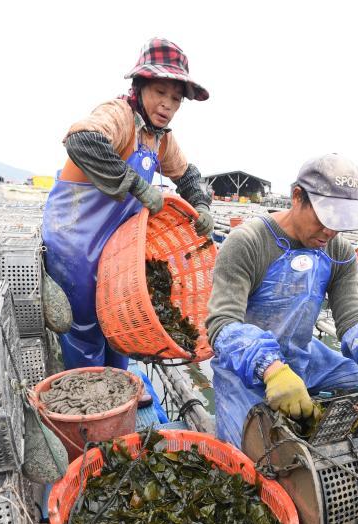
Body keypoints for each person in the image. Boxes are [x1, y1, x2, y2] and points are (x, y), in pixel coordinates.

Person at [206, 153, 358, 447]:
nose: (330, 231)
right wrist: (272, 369)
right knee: (257, 451)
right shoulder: (248, 242)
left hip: (304, 358)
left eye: (340, 221)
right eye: (325, 217)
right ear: (298, 197)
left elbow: (351, 318)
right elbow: (222, 324)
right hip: (243, 369)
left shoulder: (339, 252)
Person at [43, 38, 214, 370]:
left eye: (175, 98)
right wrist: (137, 185)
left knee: (117, 321)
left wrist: (201, 204)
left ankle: (119, 384)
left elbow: (188, 174)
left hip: (116, 249)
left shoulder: (159, 137)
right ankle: (88, 390)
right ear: (140, 86)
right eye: (160, 92)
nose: (167, 104)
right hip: (74, 245)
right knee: (84, 327)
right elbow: (81, 140)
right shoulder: (119, 115)